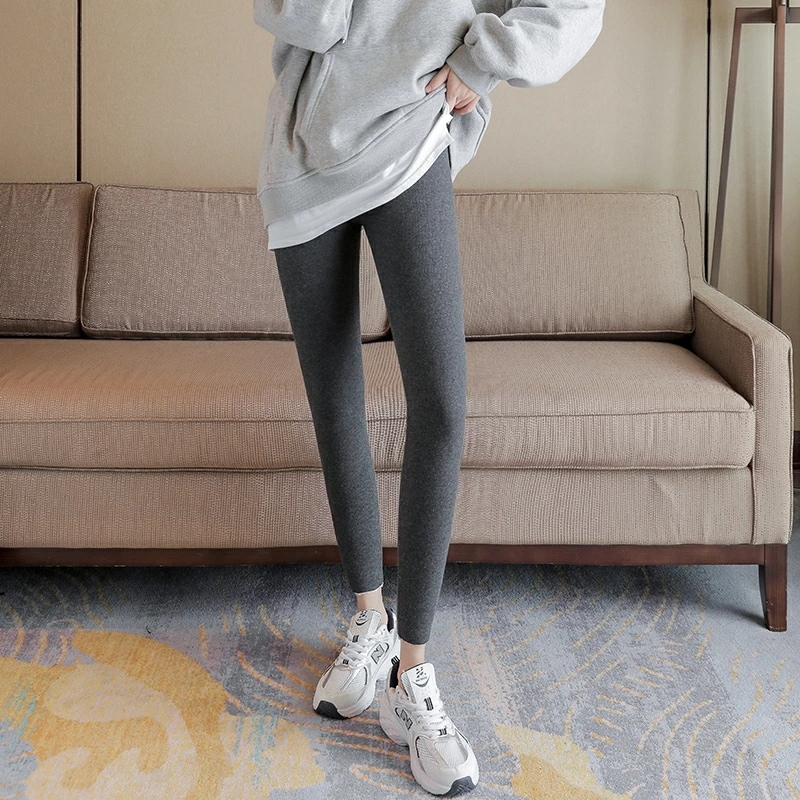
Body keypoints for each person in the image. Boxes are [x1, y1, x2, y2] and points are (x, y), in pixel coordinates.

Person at [253, 1, 605, 795]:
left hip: (413, 124)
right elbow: (307, 18)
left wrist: (483, 61)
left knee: (442, 404)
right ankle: (368, 621)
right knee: (333, 397)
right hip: (302, 148)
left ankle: (411, 674)